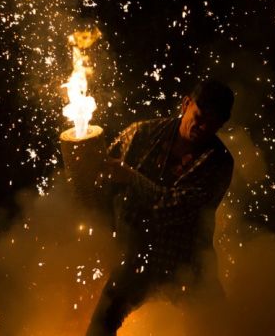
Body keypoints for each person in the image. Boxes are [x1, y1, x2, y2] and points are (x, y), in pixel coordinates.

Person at [86, 79, 235, 336]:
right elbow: (99, 185)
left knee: (221, 327)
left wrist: (131, 178)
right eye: (199, 116)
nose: (202, 126)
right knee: (100, 328)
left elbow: (176, 208)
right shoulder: (141, 134)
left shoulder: (219, 163)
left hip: (186, 262)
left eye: (212, 123)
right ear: (186, 103)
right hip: (134, 257)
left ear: (221, 124)